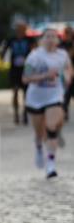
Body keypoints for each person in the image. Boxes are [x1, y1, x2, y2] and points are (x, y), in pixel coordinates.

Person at [23, 28, 72, 179]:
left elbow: (69, 68)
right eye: (47, 36)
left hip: (54, 95)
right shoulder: (35, 56)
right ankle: (38, 147)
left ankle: (51, 164)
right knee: (40, 132)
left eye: (53, 36)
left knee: (51, 127)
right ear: (42, 40)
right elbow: (25, 78)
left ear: (57, 40)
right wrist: (44, 76)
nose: (50, 39)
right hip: (36, 97)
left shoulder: (62, 54)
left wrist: (67, 77)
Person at [4, 21, 34, 125]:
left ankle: (25, 114)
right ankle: (16, 114)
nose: (20, 30)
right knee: (15, 91)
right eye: (19, 28)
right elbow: (4, 51)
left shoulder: (29, 40)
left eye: (23, 28)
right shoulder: (11, 39)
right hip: (14, 69)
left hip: (26, 69)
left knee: (26, 93)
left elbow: (34, 51)